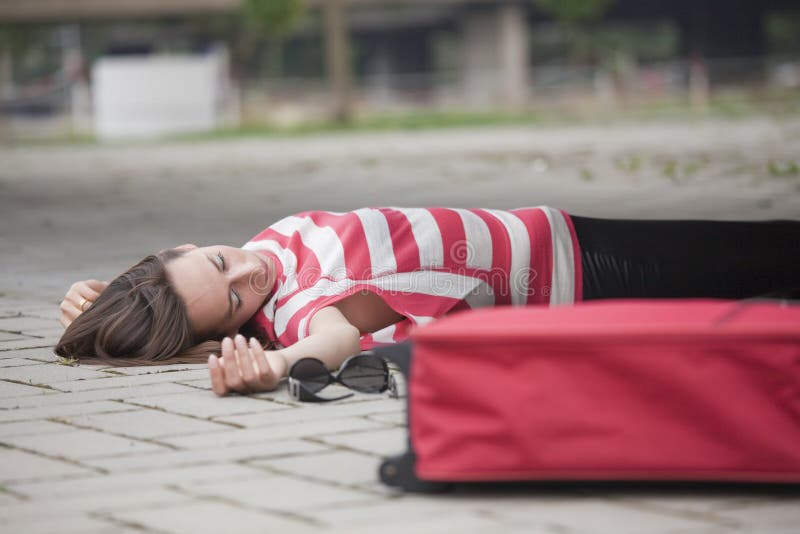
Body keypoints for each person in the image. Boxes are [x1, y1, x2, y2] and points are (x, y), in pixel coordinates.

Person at [55, 206, 800, 397]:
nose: (250, 270)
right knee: (763, 261)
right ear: (240, 323)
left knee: (765, 250)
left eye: (221, 261)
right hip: (582, 272)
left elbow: (162, 295)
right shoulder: (300, 305)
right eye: (236, 297)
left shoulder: (263, 249)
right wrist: (278, 366)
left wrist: (98, 305)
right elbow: (334, 344)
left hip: (554, 231)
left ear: (185, 247)